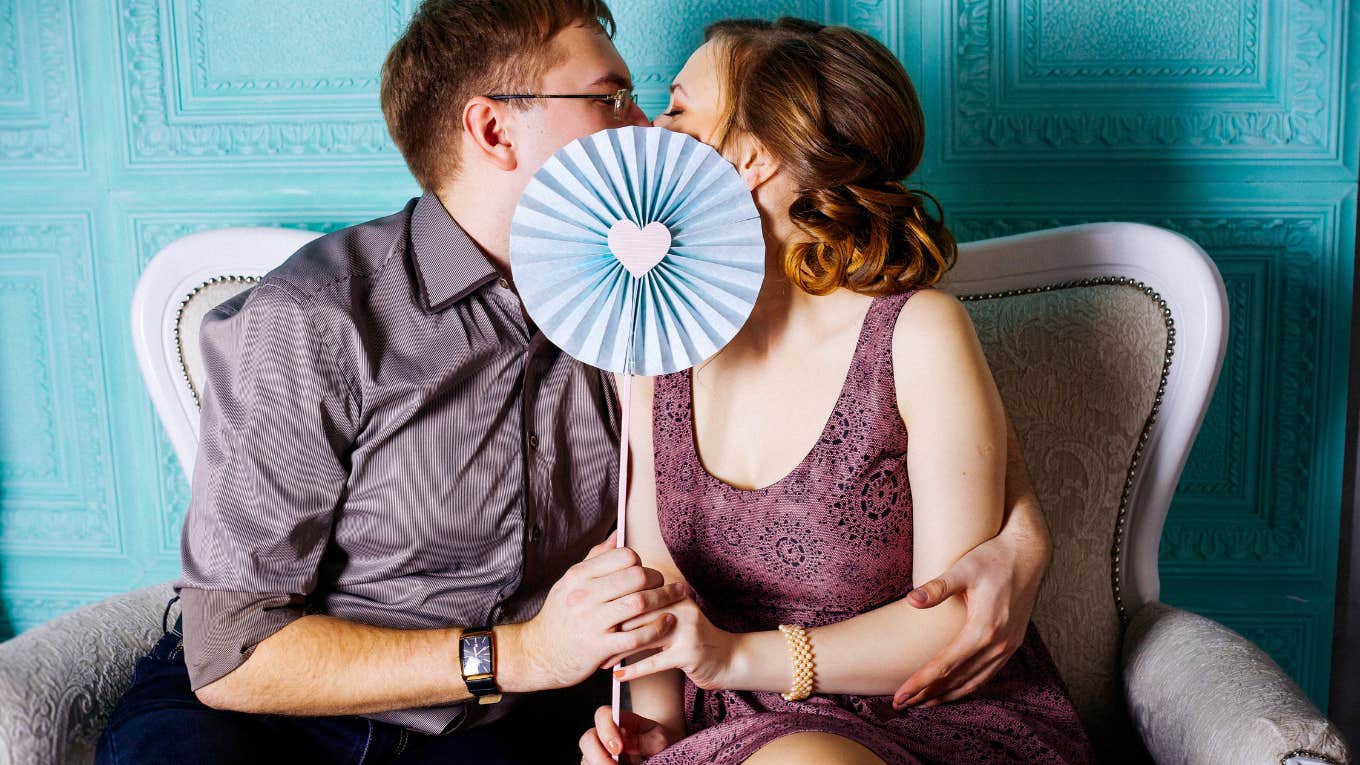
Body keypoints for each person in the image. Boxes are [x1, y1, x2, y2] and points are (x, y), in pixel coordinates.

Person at [97, 3, 1051, 763]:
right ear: (493, 128)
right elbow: (228, 651)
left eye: (659, 101)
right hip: (274, 716)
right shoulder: (314, 318)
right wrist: (527, 656)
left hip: (496, 732)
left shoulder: (651, 310)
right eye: (614, 97)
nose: (643, 127)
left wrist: (1024, 531)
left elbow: (864, 441)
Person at [580, 18, 1091, 765]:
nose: (654, 128)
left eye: (679, 109)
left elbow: (952, 621)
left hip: (922, 714)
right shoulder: (652, 349)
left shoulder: (917, 334)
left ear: (750, 157)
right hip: (728, 730)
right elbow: (655, 591)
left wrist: (733, 657)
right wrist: (654, 734)